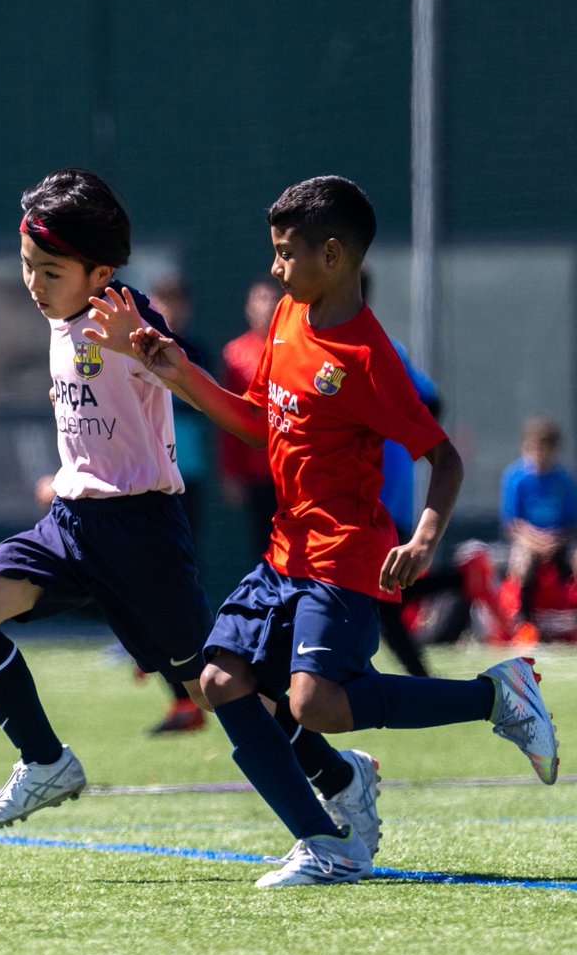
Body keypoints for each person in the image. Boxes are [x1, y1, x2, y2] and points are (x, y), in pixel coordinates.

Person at [85, 174, 558, 888]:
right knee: (218, 680)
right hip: (284, 552)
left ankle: (497, 696)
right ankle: (323, 838)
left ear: (332, 256)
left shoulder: (369, 360)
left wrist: (424, 538)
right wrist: (174, 370)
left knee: (315, 704)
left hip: (342, 559)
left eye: (284, 254)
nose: (274, 268)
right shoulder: (285, 319)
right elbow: (256, 422)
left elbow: (444, 459)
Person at [0, 167, 215, 831]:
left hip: (140, 532)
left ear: (98, 273)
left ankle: (334, 769)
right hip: (71, 525)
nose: (34, 284)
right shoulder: (64, 315)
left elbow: (172, 369)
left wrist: (151, 347)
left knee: (216, 688)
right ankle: (44, 762)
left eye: (50, 271)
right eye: (27, 267)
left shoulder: (125, 313)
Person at [360, 267, 441, 678]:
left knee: (384, 596)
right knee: (383, 596)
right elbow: (431, 401)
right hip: (380, 490)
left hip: (380, 493)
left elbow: (432, 407)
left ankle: (428, 688)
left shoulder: (378, 349)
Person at [143, 277, 212, 735]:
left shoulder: (191, 352)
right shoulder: (138, 348)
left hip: (187, 480)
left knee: (174, 578)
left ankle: (189, 690)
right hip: (149, 478)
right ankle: (148, 646)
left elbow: (201, 401)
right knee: (151, 580)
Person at [219, 278, 281, 559]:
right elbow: (230, 418)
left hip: (292, 469)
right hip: (257, 467)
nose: (265, 306)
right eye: (259, 299)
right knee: (262, 544)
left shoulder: (292, 346)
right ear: (248, 308)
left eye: (270, 299)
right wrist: (232, 471)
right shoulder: (236, 354)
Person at [499, 414, 577, 640]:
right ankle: (523, 621)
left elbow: (571, 523)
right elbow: (511, 523)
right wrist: (535, 540)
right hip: (527, 541)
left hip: (559, 541)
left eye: (545, 448)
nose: (539, 455)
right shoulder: (515, 477)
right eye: (534, 447)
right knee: (521, 563)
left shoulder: (564, 480)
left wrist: (555, 540)